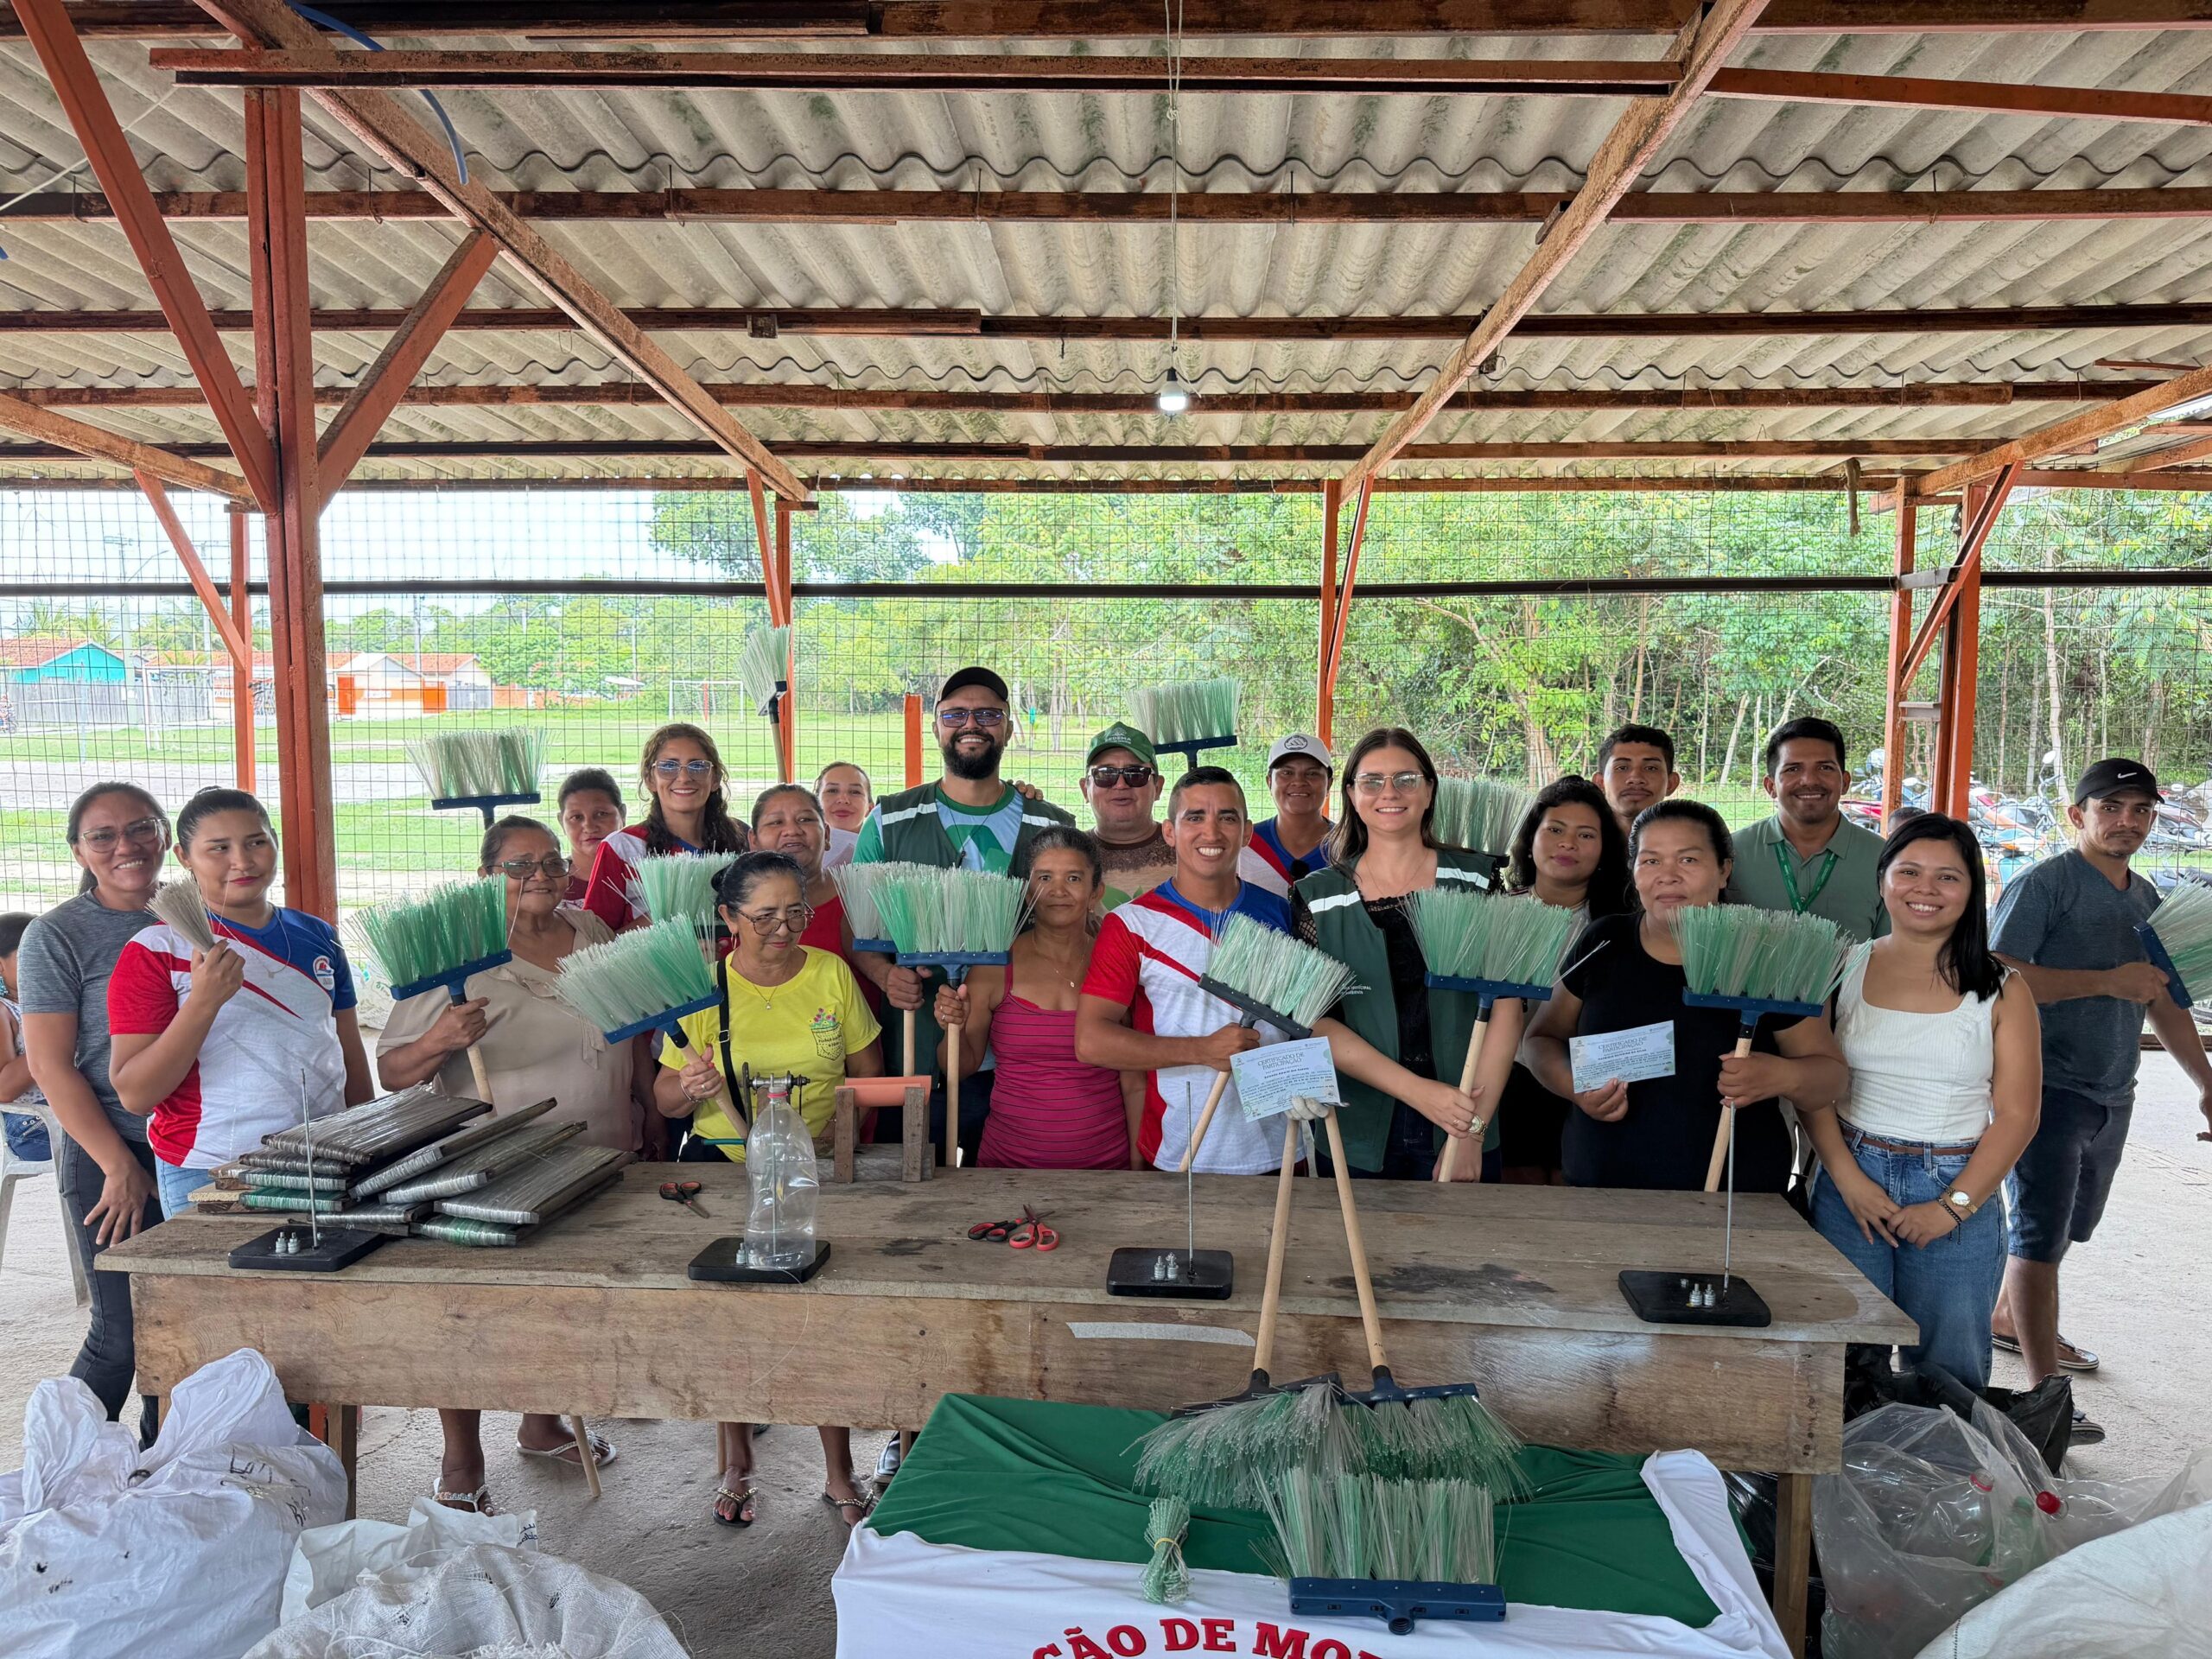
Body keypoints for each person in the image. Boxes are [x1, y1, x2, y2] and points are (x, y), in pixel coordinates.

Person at [376, 814, 639, 1510]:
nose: (541, 876)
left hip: (598, 1149)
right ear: (486, 877)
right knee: (468, 1313)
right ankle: (461, 1459)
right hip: (495, 1164)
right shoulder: (456, 956)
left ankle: (542, 1421)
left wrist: (643, 1111)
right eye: (520, 865)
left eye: (551, 861)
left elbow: (628, 1035)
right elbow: (393, 1072)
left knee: (564, 1305)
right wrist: (439, 1040)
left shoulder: (591, 931)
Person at [654, 852, 884, 1529]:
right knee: (728, 1319)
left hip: (817, 1170)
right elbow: (666, 1099)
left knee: (826, 1318)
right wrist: (688, 1086)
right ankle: (737, 1462)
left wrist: (838, 1136)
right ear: (730, 918)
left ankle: (839, 1469)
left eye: (795, 913)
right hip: (726, 1170)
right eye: (764, 917)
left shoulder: (830, 973)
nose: (783, 929)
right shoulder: (703, 990)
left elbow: (868, 1073)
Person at [1987, 759, 2212, 1440]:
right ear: (2076, 815)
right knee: (2039, 1239)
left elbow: (2164, 1001)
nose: (2126, 821)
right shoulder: (2044, 884)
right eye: (2110, 807)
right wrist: (2106, 982)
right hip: (2044, 1087)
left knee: (2064, 1232)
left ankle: (2009, 1317)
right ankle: (2045, 1395)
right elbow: (1994, 976)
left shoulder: (2146, 898)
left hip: (2114, 1089)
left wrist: (2206, 1082)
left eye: (2140, 810)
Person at [1802, 814, 2041, 1390]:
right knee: (1843, 1365)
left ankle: (1946, 1457)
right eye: (1908, 872)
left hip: (1957, 1180)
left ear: (1972, 889)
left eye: (1947, 877)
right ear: (1883, 879)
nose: (1925, 889)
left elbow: (2018, 1116)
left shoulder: (2004, 988)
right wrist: (1848, 1181)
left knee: (1948, 1370)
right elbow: (1813, 1085)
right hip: (1850, 1176)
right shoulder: (1842, 966)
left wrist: (1951, 1208)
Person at [1521, 800, 1848, 1192]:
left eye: (1688, 860)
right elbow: (1541, 1039)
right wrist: (1576, 1087)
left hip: (1736, 1198)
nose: (1668, 876)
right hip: (1601, 1189)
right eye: (1651, 861)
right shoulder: (1604, 941)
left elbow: (1831, 1078)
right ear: (1633, 871)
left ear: (1724, 870)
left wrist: (1782, 1076)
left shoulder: (1767, 955)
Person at [106, 788, 374, 1219]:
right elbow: (136, 1094)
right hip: (210, 1166)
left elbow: (346, 1047)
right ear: (184, 857)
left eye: (256, 842)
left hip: (326, 1156)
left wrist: (365, 1135)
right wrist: (203, 1002)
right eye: (219, 848)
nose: (243, 861)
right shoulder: (156, 949)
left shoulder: (317, 935)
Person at [848, 666, 1074, 1163]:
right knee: (915, 1187)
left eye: (988, 714)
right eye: (955, 715)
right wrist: (886, 976)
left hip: (1020, 1064)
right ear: (936, 727)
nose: (972, 724)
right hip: (918, 1051)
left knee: (1008, 1184)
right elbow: (859, 928)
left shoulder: (1052, 825)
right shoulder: (889, 820)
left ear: (1008, 728)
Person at [1292, 728, 1516, 1182]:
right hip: (1356, 1130)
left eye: (1406, 779)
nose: (1389, 793)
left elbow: (1508, 1008)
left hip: (1463, 1124)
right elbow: (1316, 1023)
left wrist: (1471, 1132)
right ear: (1351, 795)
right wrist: (1419, 1093)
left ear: (1429, 790)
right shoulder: (1317, 896)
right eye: (1372, 781)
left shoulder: (1479, 881)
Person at [18, 783, 170, 1439]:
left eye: (141, 827)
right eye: (102, 836)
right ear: (79, 851)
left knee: (192, 1329)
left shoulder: (204, 913)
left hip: (207, 1151)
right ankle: (60, 1469)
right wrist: (117, 1165)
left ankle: (161, 1464)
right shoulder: (57, 936)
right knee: (123, 1336)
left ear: (166, 835)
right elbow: (51, 1066)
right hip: (117, 1148)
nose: (125, 846)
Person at [934, 826, 1135, 1169]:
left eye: (1073, 878)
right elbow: (959, 1069)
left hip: (1107, 1167)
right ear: (1028, 893)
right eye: (1044, 878)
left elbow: (1134, 1078)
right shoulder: (996, 967)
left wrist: (1138, 1165)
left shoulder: (1118, 963)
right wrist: (953, 1026)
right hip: (1008, 1167)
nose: (1058, 890)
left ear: (1095, 892)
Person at [1495, 776, 1631, 1184]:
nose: (1568, 843)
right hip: (1504, 1082)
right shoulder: (1492, 914)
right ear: (1530, 840)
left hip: (1590, 1085)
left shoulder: (1622, 929)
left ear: (1604, 850)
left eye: (1585, 835)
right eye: (1555, 830)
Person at [1726, 716, 1888, 943]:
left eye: (1825, 768)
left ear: (1845, 782)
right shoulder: (1732, 854)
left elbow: (1895, 948)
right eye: (1793, 769)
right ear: (1770, 786)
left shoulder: (1884, 859)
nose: (1809, 780)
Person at [582, 722, 750, 933]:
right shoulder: (623, 848)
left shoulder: (741, 838)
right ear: (650, 779)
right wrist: (664, 919)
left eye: (698, 766)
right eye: (668, 766)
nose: (684, 778)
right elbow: (594, 940)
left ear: (715, 778)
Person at [1081, 722, 1175, 907]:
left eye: (1135, 774)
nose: (1121, 784)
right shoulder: (1069, 854)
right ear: (1085, 789)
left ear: (1157, 787)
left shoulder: (1188, 853)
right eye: (1105, 774)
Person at [1239, 734, 1334, 900]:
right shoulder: (1245, 845)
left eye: (1312, 773)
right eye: (1286, 772)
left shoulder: (1350, 846)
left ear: (1329, 783)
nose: (1299, 781)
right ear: (1269, 782)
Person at [2, 912, 54, 1164]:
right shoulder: (5, 1010)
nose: (41, 962)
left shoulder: (55, 1002)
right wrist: (53, 1038)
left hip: (68, 1104)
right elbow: (4, 1090)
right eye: (29, 954)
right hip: (30, 1125)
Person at [1596, 723, 1680, 839]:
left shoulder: (1693, 842)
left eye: (1651, 768)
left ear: (1671, 783)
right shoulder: (1578, 844)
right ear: (1600, 783)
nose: (1636, 778)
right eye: (1622, 768)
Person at [556, 767, 626, 904]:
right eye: (577, 817)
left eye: (601, 814)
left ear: (622, 815)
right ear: (561, 822)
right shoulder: (551, 884)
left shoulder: (645, 876)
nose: (589, 827)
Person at [816, 761, 874, 869]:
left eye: (855, 792)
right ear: (815, 804)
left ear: (870, 808)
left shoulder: (885, 851)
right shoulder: (800, 851)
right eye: (832, 790)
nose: (843, 800)